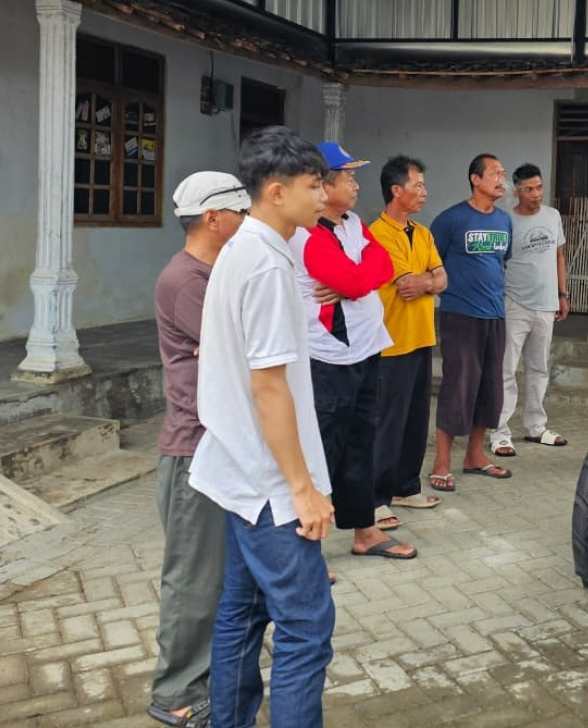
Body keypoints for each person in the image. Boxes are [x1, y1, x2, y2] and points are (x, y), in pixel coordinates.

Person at [189, 126, 337, 728]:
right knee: (306, 625)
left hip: (238, 468)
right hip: (269, 484)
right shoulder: (267, 265)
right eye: (313, 186)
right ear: (276, 191)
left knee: (243, 612)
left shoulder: (245, 250)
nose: (323, 196)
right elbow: (268, 386)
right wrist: (302, 488)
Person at [148, 171, 250, 728]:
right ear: (213, 219)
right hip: (194, 450)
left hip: (216, 447)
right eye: (239, 213)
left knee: (216, 575)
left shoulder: (210, 273)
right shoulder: (186, 280)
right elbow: (240, 348)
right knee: (191, 579)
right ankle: (175, 694)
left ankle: (207, 678)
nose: (245, 223)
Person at [288, 142, 416, 559]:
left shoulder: (353, 223)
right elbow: (353, 278)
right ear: (322, 186)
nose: (356, 185)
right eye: (349, 177)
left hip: (364, 348)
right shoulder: (304, 234)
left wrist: (356, 279)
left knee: (362, 440)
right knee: (324, 447)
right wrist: (357, 279)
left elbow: (380, 269)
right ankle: (307, 546)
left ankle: (364, 531)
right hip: (327, 356)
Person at [428, 153, 514, 491]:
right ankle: (441, 462)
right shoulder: (451, 220)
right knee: (457, 386)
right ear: (475, 179)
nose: (501, 178)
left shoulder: (504, 221)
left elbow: (501, 262)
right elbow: (431, 261)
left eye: (502, 173)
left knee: (489, 387)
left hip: (495, 314)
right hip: (459, 315)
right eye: (494, 172)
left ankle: (475, 456)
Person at [369, 155, 446, 512]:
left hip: (422, 338)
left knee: (416, 419)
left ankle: (405, 486)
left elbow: (441, 280)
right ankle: (376, 497)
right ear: (396, 190)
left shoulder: (423, 232)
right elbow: (405, 286)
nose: (424, 192)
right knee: (388, 421)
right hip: (391, 341)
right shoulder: (378, 234)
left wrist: (429, 282)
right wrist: (431, 281)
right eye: (418, 185)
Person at [489, 163, 569, 458]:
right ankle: (499, 432)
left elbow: (559, 255)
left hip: (547, 304)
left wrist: (562, 294)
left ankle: (536, 426)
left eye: (539, 188)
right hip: (514, 303)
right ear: (516, 190)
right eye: (529, 189)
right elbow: (498, 261)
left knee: (539, 368)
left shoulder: (553, 216)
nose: (536, 194)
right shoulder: (505, 220)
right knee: (506, 369)